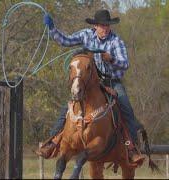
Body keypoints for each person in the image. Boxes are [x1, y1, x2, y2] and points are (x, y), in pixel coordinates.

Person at [35, 9, 145, 165]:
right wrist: (52, 29)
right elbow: (65, 41)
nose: (104, 28)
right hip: (92, 82)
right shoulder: (86, 35)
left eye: (107, 25)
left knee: (126, 108)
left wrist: (111, 59)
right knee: (69, 106)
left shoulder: (116, 41)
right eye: (101, 25)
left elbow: (125, 64)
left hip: (112, 81)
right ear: (95, 26)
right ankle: (53, 141)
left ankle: (131, 148)